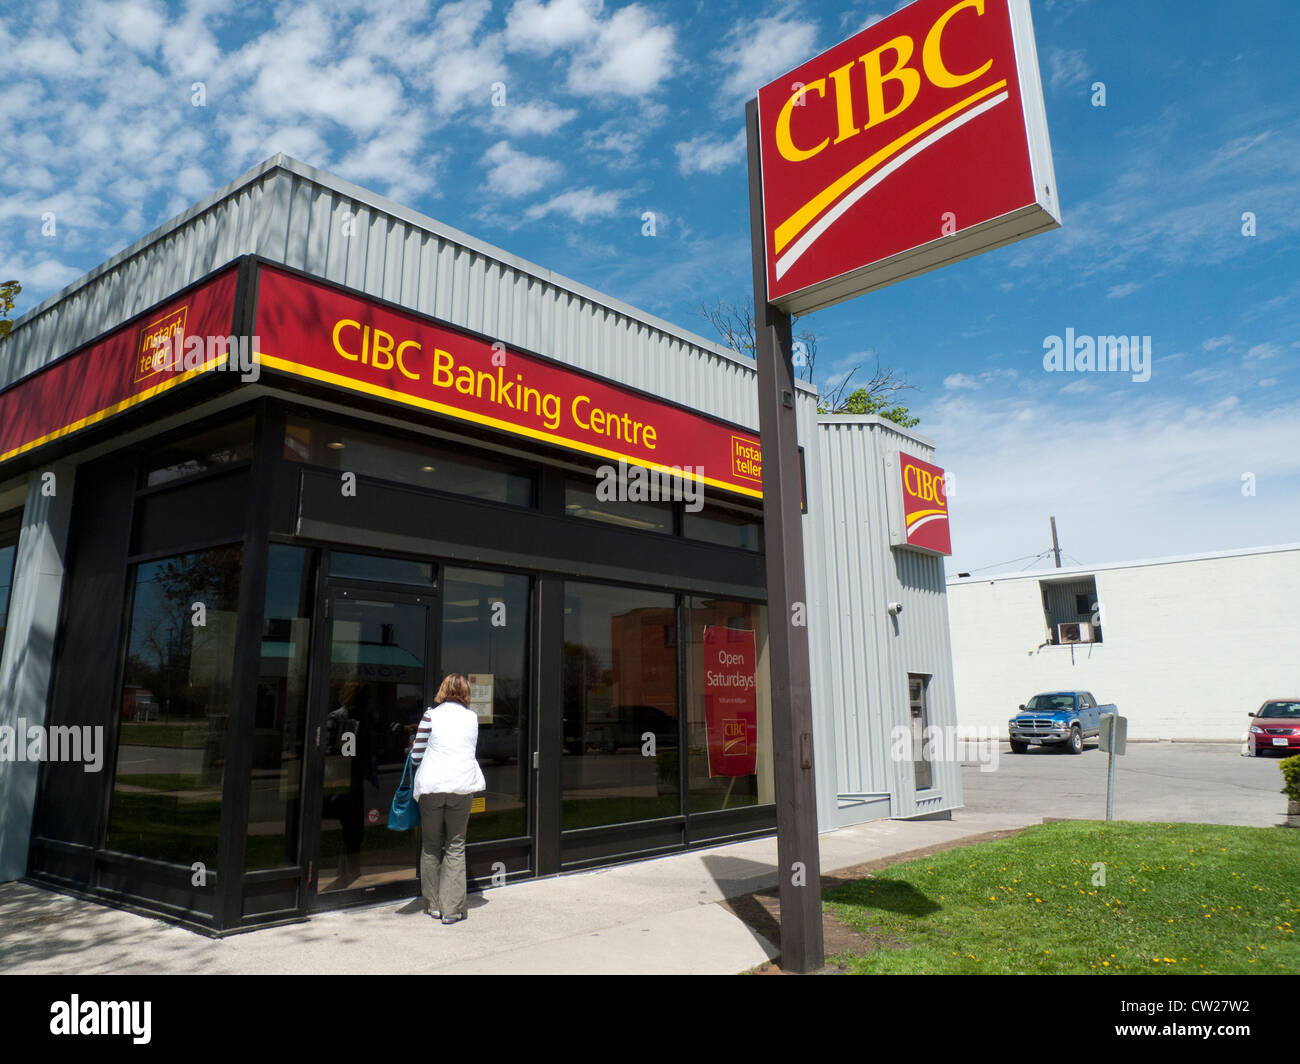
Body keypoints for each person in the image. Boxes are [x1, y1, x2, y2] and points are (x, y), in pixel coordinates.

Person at [410, 673, 485, 924]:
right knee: (456, 845)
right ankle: (452, 909)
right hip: (462, 788)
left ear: (443, 690)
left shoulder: (431, 715)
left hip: (432, 787)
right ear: (465, 693)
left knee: (431, 846)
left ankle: (433, 905)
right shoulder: (472, 718)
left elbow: (416, 755)